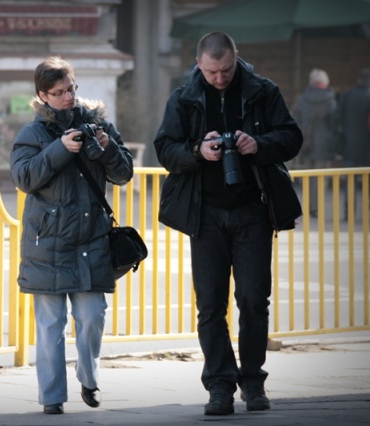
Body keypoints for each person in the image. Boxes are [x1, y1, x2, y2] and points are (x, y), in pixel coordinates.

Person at [153, 32, 302, 416]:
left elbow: (291, 137)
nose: (219, 78)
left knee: (254, 299)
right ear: (199, 64)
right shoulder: (184, 97)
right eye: (211, 71)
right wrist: (197, 151)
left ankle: (253, 383)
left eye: (226, 70)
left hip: (253, 210)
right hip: (205, 215)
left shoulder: (262, 91)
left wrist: (260, 145)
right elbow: (165, 148)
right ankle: (219, 386)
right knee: (210, 305)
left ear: (237, 58)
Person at [10, 56, 133, 415]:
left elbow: (124, 174)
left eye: (71, 89)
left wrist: (107, 148)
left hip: (92, 239)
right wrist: (59, 149)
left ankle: (88, 376)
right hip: (46, 242)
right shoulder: (31, 134)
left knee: (93, 315)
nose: (68, 98)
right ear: (42, 95)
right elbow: (24, 178)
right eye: (59, 92)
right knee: (50, 326)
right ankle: (51, 397)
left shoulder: (99, 125)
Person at [293, 68, 339, 217]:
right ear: (324, 83)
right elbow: (334, 125)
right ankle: (315, 208)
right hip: (324, 144)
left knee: (308, 176)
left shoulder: (302, 99)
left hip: (306, 143)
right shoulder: (330, 101)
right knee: (321, 178)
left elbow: (295, 119)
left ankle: (307, 206)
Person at [338, 68, 370, 218]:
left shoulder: (346, 96)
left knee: (350, 183)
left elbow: (337, 120)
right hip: (367, 148)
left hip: (349, 146)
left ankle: (348, 213)